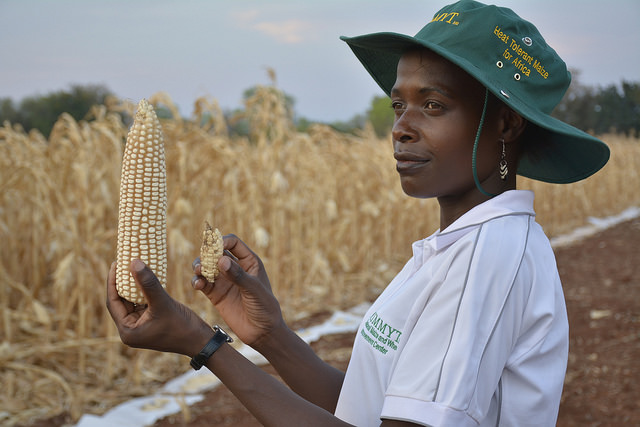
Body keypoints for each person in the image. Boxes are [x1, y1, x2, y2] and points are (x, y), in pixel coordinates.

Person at [106, 1, 610, 426]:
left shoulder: (488, 257)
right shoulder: (460, 246)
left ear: (505, 123)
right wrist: (269, 335)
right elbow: (366, 409)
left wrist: (203, 343)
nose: (402, 128)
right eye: (398, 106)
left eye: (432, 106)